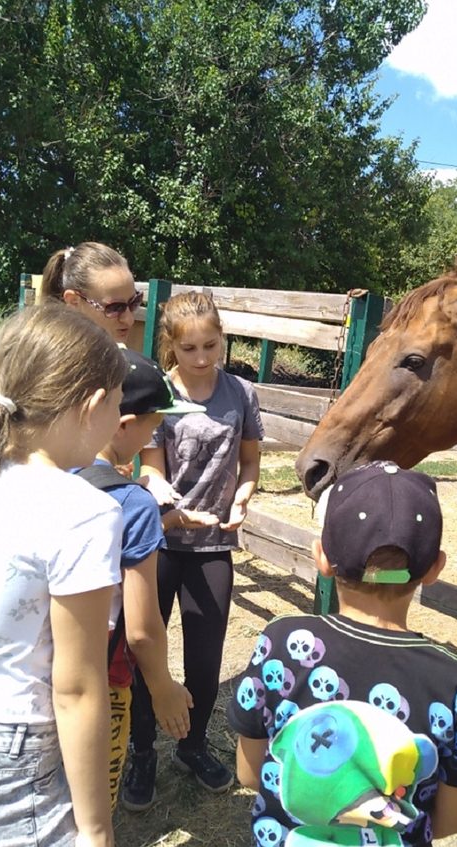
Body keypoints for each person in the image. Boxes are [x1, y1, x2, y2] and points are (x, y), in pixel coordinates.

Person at [227, 461, 457, 847]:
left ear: (322, 557)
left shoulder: (281, 646)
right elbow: (451, 821)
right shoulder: (455, 683)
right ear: (434, 569)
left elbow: (251, 774)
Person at [0, 303, 127, 847]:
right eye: (119, 404)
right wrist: (95, 832)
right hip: (18, 747)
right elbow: (74, 688)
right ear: (93, 406)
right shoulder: (83, 513)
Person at [123, 291, 264, 810]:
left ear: (222, 338)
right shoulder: (157, 393)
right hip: (159, 539)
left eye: (211, 345)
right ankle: (142, 750)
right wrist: (164, 496)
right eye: (190, 348)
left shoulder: (242, 394)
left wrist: (245, 494)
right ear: (171, 346)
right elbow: (152, 466)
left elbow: (250, 464)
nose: (202, 357)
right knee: (146, 653)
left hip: (212, 544)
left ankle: (192, 744)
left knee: (205, 660)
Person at [84, 347, 220, 811]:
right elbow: (141, 631)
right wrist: (163, 688)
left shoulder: (48, 475)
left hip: (45, 669)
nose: (156, 431)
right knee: (95, 806)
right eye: (154, 421)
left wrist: (175, 522)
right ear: (124, 424)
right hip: (105, 675)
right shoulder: (134, 503)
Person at [41, 241, 141, 343]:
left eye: (134, 302)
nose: (129, 319)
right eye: (115, 308)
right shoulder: (43, 357)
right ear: (73, 302)